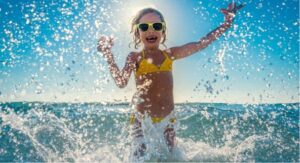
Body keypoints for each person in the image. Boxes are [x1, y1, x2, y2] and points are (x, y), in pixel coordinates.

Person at [97, 2, 244, 159]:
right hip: (142, 120)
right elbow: (121, 82)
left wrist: (227, 23)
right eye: (144, 27)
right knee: (138, 156)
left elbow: (201, 43)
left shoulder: (170, 55)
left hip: (168, 120)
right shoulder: (135, 57)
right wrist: (108, 55)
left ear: (163, 30)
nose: (151, 30)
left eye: (156, 26)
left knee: (171, 156)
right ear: (138, 32)